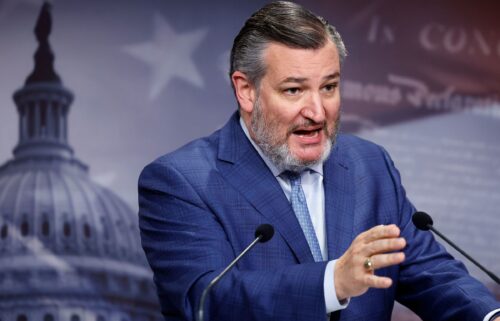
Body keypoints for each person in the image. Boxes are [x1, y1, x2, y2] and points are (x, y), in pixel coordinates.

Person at [138, 2, 500, 320]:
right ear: (246, 91)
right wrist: (333, 281)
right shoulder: (181, 181)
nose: (317, 111)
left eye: (328, 87)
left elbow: (428, 271)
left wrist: (489, 316)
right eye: (294, 90)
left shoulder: (369, 165)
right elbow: (206, 301)